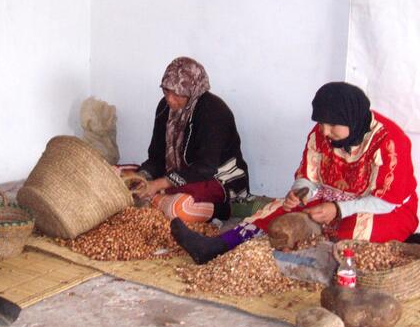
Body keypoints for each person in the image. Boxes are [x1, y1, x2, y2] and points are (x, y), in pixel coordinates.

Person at [171, 81, 419, 264]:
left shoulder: (389, 141)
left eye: (333, 125)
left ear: (353, 119)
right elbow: (308, 178)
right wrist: (299, 193)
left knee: (353, 232)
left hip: (385, 209)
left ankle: (329, 265)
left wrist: (339, 210)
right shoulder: (321, 135)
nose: (325, 131)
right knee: (277, 209)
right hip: (330, 199)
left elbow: (387, 201)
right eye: (321, 123)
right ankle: (215, 246)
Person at [134, 56, 250, 223]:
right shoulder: (164, 108)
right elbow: (156, 157)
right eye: (166, 91)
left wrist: (159, 184)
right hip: (180, 178)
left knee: (179, 209)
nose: (170, 99)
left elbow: (205, 168)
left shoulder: (214, 112)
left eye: (178, 94)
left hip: (217, 180)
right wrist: (142, 177)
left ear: (193, 91)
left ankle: (224, 208)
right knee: (127, 181)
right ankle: (159, 199)